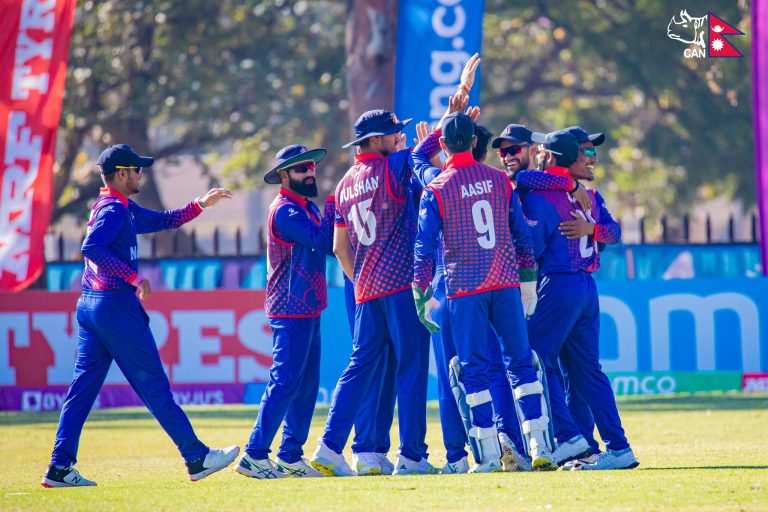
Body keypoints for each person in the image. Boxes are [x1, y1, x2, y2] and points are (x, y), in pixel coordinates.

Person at [42, 144, 238, 488]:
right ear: (121, 174)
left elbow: (164, 220)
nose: (140, 175)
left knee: (82, 390)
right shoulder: (114, 209)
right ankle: (196, 457)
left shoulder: (118, 205)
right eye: (136, 170)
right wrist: (132, 277)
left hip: (92, 306)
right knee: (154, 386)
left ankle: (59, 467)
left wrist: (200, 204)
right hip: (115, 308)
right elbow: (91, 247)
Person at [412, 112, 554, 472]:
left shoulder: (436, 188)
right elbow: (521, 234)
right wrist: (527, 281)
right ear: (475, 142)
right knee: (520, 364)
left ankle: (488, 455)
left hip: (465, 289)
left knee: (473, 371)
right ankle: (538, 444)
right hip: (504, 283)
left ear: (444, 146)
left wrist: (420, 292)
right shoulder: (499, 180)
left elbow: (424, 247)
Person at [311, 109, 434, 476]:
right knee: (411, 368)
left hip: (366, 292)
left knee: (360, 367)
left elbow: (339, 248)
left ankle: (330, 447)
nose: (399, 137)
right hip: (401, 286)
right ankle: (411, 456)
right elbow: (422, 153)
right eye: (393, 133)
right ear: (376, 139)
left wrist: (362, 279)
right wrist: (453, 114)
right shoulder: (391, 166)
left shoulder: (344, 184)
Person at [522, 130, 639, 470]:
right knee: (587, 370)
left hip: (560, 284)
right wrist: (591, 226)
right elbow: (613, 232)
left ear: (549, 156)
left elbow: (531, 249)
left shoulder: (540, 197)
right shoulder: (588, 194)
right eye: (586, 152)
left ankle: (569, 437)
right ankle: (616, 448)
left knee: (534, 358)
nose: (593, 158)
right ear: (569, 157)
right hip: (587, 289)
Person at [235, 145, 336, 479]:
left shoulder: (305, 207)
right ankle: (254, 454)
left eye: (311, 166)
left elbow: (327, 244)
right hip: (290, 308)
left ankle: (290, 457)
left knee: (305, 386)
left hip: (308, 306)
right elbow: (323, 241)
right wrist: (336, 204)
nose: (310, 172)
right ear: (283, 175)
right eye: (301, 168)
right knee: (285, 381)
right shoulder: (286, 211)